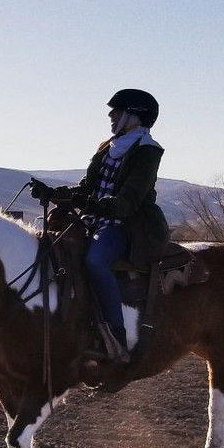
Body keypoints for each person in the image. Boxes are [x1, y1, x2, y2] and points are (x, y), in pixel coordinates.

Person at [30, 88, 169, 363]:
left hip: (129, 224)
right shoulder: (107, 147)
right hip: (96, 218)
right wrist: (53, 194)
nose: (111, 115)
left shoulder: (148, 151)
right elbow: (86, 188)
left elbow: (129, 200)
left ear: (134, 116)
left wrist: (99, 205)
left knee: (95, 260)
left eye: (117, 111)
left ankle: (116, 335)